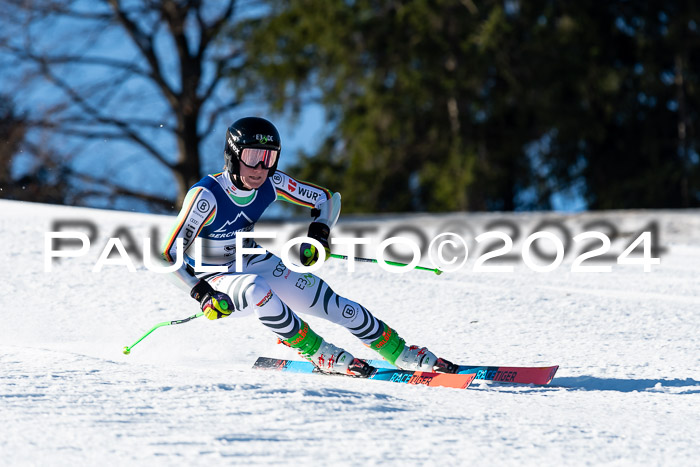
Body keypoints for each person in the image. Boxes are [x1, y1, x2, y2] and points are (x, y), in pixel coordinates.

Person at [161, 117, 456, 376]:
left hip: (252, 260)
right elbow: (168, 256)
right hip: (218, 283)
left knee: (330, 302)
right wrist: (202, 294)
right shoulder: (207, 195)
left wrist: (318, 235)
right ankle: (318, 352)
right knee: (255, 289)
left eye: (269, 157)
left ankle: (399, 352)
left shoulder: (271, 182)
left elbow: (327, 198)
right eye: (252, 156)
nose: (260, 167)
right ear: (233, 156)